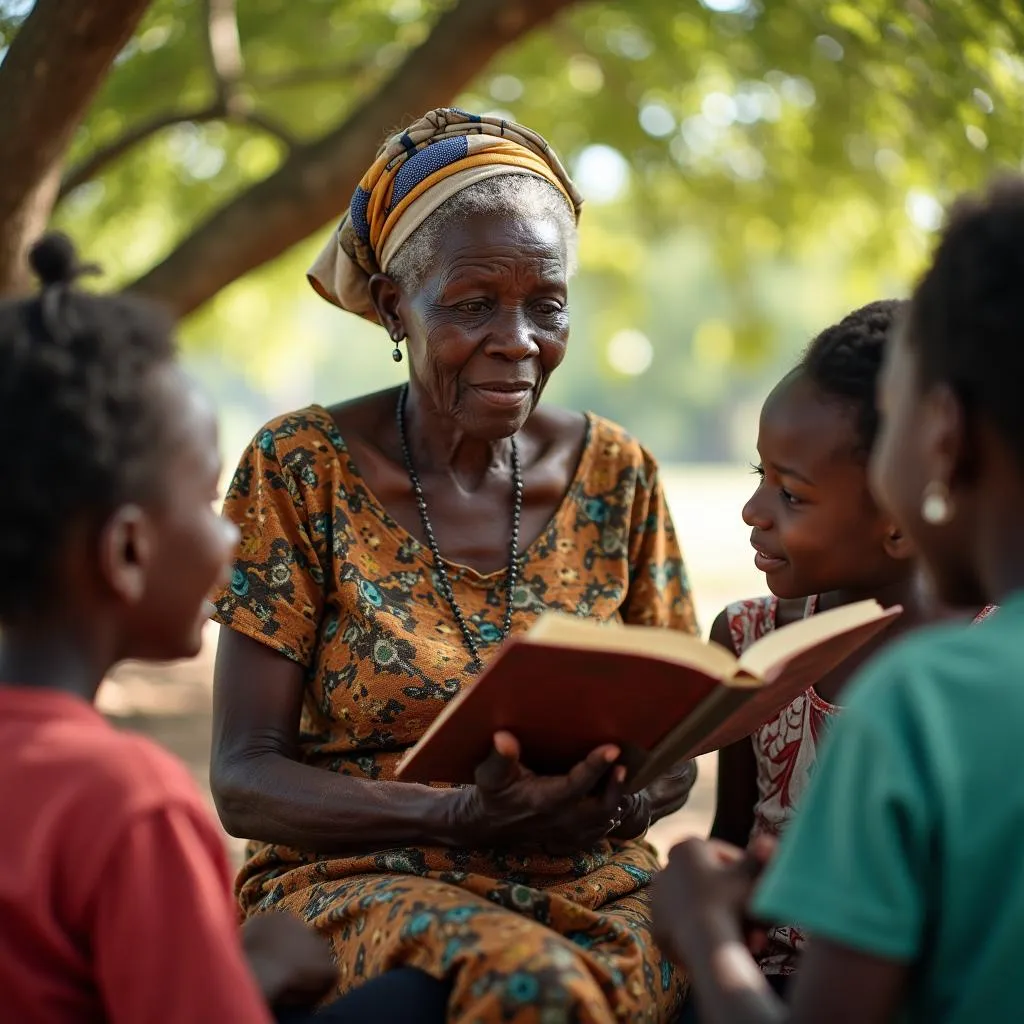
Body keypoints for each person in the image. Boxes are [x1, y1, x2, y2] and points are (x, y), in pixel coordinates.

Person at [210, 108, 699, 1024]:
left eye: (546, 305)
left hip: (596, 877)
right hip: (365, 879)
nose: (518, 341)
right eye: (474, 305)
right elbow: (244, 778)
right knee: (535, 989)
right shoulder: (299, 468)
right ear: (397, 306)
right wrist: (456, 820)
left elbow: (678, 741)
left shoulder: (618, 475)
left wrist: (611, 802)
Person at [653, 176, 1024, 1023]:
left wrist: (704, 934)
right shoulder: (759, 635)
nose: (759, 512)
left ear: (942, 437)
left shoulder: (925, 699)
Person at [0, 234, 341, 1023]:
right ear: (127, 550)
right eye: (204, 498)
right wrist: (253, 972)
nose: (230, 535)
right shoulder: (129, 808)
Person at [703, 302, 993, 1000]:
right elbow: (733, 836)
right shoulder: (745, 640)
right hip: (754, 984)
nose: (755, 510)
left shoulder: (982, 667)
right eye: (759, 474)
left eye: (793, 494)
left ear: (897, 523)